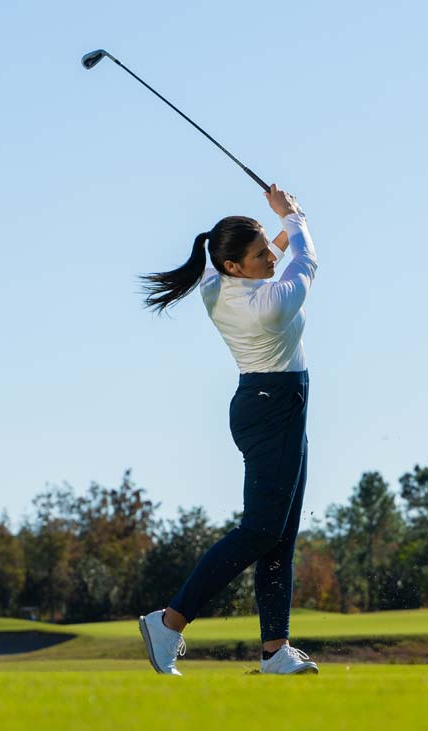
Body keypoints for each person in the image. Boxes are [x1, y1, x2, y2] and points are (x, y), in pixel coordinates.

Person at [135, 183, 319, 676]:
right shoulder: (268, 304)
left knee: (279, 537)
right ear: (234, 266)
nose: (270, 258)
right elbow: (306, 264)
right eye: (259, 255)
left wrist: (276, 230)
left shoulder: (219, 285)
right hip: (273, 407)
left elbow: (278, 258)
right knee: (260, 531)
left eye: (267, 250)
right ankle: (169, 622)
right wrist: (293, 219)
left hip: (275, 405)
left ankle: (275, 651)